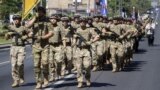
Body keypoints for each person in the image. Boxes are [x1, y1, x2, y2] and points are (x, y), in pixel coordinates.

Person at [26, 7, 54, 89]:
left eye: (40, 11)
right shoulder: (34, 20)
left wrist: (43, 37)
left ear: (43, 12)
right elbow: (27, 26)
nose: (38, 13)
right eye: (37, 11)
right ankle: (38, 82)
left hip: (45, 45)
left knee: (45, 63)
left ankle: (45, 78)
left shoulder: (47, 21)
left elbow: (51, 33)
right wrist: (34, 18)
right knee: (36, 65)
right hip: (35, 45)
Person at [73, 17, 99, 88]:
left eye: (83, 21)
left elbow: (97, 36)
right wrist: (74, 38)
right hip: (78, 50)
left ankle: (87, 78)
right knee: (79, 67)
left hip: (86, 50)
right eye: (80, 21)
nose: (82, 23)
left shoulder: (89, 29)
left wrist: (91, 42)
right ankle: (80, 81)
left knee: (87, 66)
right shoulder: (77, 30)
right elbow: (72, 40)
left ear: (86, 22)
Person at [5, 15, 28, 87]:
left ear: (20, 20)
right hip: (13, 47)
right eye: (14, 19)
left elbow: (30, 33)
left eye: (17, 19)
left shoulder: (23, 28)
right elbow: (6, 38)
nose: (16, 20)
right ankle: (15, 81)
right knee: (13, 65)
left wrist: (25, 37)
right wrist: (8, 34)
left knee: (20, 64)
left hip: (21, 47)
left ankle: (21, 76)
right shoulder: (11, 27)